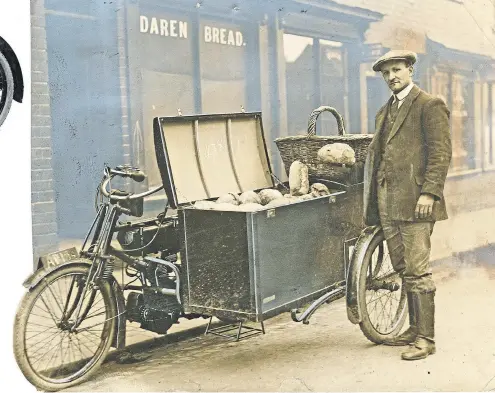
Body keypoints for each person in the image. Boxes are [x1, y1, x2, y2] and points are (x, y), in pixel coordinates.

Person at [363, 50, 452, 360]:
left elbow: (440, 154)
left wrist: (430, 193)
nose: (392, 77)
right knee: (403, 268)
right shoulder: (384, 111)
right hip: (388, 201)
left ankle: (426, 339)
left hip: (417, 203)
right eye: (386, 73)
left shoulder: (430, 105)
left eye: (397, 70)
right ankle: (414, 330)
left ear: (411, 69)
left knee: (417, 269)